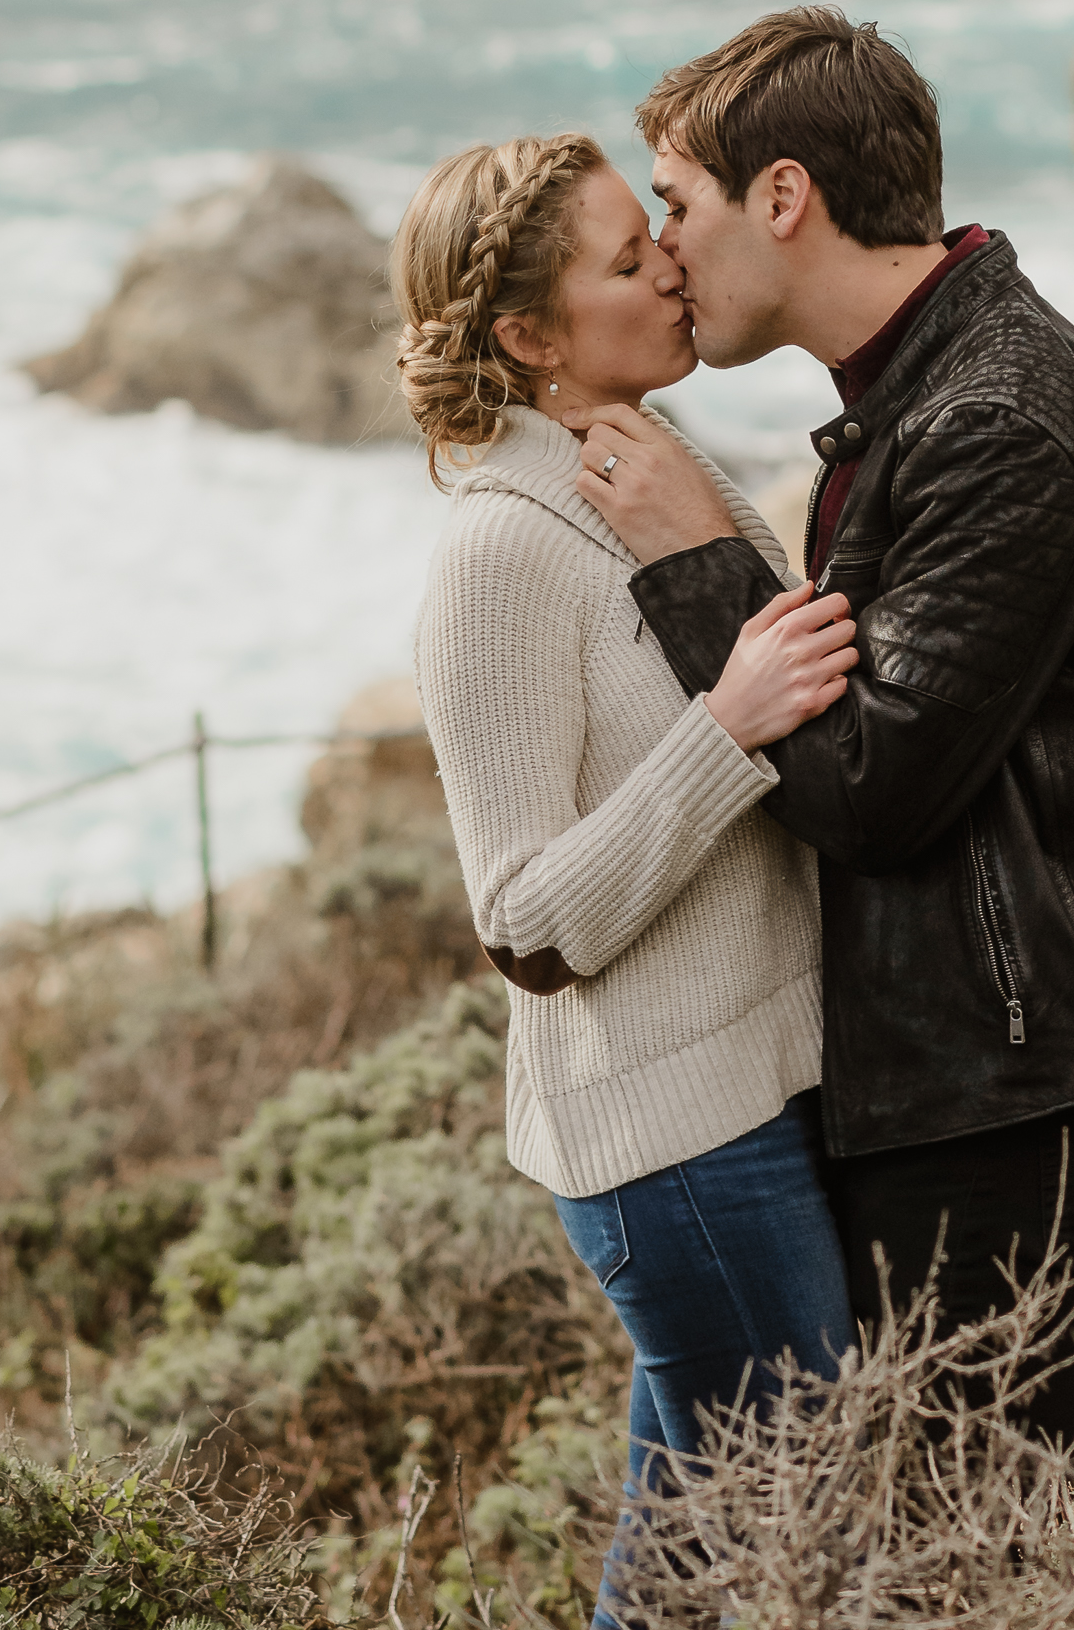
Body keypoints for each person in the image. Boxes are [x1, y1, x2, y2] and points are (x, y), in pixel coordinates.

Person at [575, 8, 1074, 1445]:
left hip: (1020, 1089)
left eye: (678, 204)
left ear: (786, 196)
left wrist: (699, 561)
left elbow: (871, 782)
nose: (666, 247)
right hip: (987, 1070)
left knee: (948, 1562)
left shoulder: (994, 413)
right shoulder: (920, 389)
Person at [396, 129, 860, 1627]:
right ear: (530, 338)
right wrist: (726, 727)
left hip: (755, 1101)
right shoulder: (498, 555)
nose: (669, 258)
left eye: (648, 230)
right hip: (672, 1146)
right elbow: (525, 925)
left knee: (696, 1567)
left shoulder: (652, 462)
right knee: (800, 1526)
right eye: (622, 257)